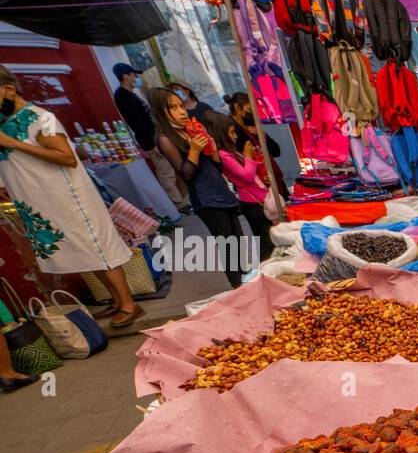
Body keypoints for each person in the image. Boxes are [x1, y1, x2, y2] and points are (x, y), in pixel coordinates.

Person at [0, 64, 143, 329]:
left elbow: (67, 158)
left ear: (8, 90)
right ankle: (114, 300)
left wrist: (14, 144)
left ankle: (129, 304)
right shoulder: (5, 124)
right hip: (43, 202)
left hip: (68, 199)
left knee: (97, 249)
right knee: (82, 252)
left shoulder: (41, 119)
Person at [149, 86, 247, 289]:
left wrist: (213, 153)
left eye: (181, 106)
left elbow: (216, 167)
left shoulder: (190, 129)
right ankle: (239, 286)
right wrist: (194, 150)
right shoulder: (165, 138)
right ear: (161, 111)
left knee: (239, 241)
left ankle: (248, 279)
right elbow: (185, 174)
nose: (181, 112)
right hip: (205, 199)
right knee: (228, 245)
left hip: (221, 191)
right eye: (173, 108)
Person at [113, 63, 188, 212]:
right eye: (134, 75)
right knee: (166, 172)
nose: (137, 78)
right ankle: (178, 204)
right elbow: (138, 122)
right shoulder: (122, 95)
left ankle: (181, 201)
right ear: (125, 76)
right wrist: (152, 144)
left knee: (171, 170)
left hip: (155, 137)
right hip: (150, 140)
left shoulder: (131, 94)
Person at [206, 110, 273, 262]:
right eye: (231, 133)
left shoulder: (232, 152)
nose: (235, 136)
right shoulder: (224, 155)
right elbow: (246, 176)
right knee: (265, 241)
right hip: (251, 203)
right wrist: (248, 156)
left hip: (258, 197)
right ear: (222, 134)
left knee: (269, 238)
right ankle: (267, 274)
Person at [223, 92, 286, 196]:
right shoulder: (233, 130)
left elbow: (276, 151)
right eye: (249, 110)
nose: (252, 114)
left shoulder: (251, 123)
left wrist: (262, 134)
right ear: (237, 108)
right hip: (257, 184)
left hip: (272, 176)